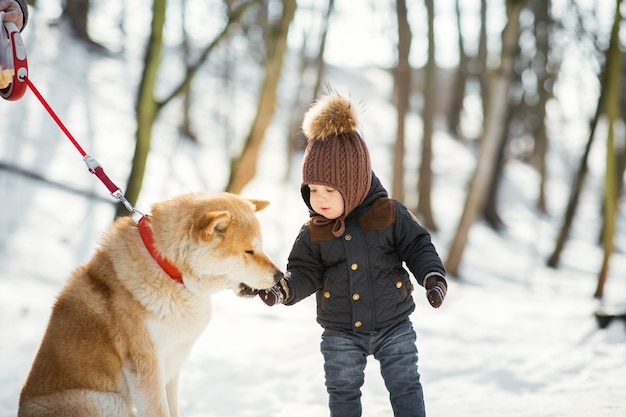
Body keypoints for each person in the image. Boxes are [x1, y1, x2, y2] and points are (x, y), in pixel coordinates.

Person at [259, 92, 448, 417]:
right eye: (313, 190)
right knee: (342, 392)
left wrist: (432, 277)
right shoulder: (313, 231)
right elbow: (304, 271)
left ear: (355, 185)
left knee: (405, 386)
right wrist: (284, 290)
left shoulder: (388, 214)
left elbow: (417, 245)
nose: (319, 199)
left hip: (394, 324)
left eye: (330, 191)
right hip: (340, 331)